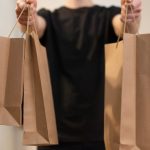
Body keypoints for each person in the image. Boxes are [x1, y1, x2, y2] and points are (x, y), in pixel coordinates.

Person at [16, 0, 141, 150]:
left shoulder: (109, 16)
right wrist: (27, 16)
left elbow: (126, 27)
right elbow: (34, 25)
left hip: (103, 138)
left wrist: (131, 14)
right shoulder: (48, 18)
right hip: (54, 138)